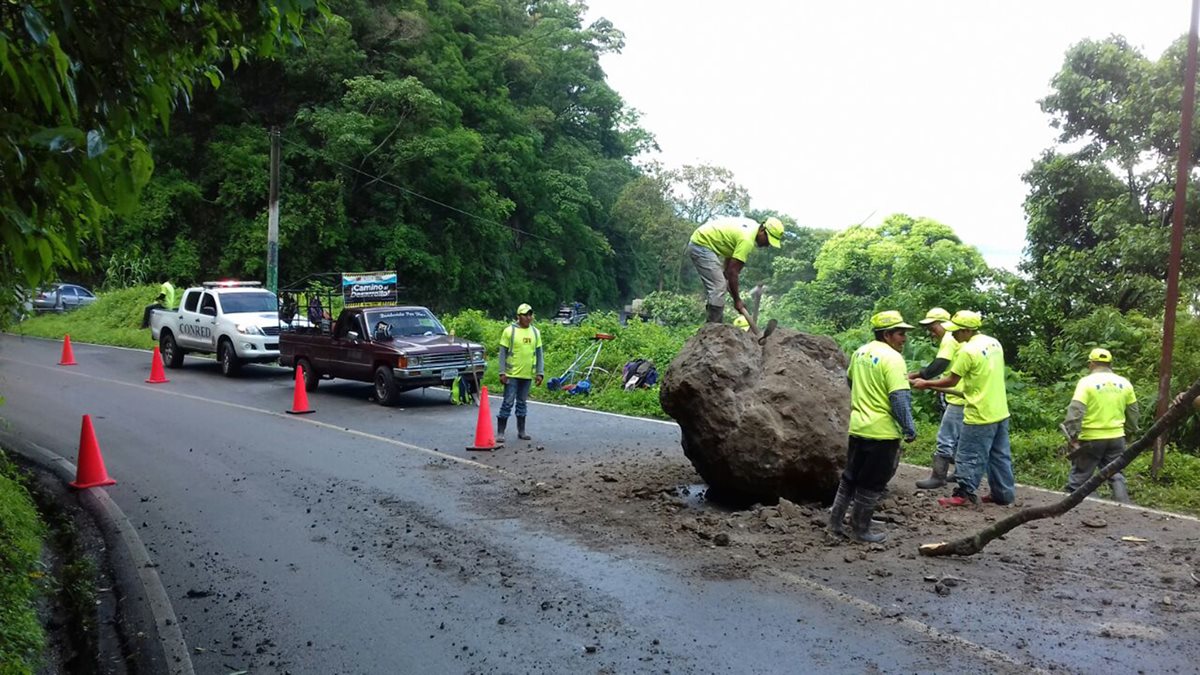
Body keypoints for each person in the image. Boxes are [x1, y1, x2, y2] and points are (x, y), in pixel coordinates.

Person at [829, 310, 917, 543]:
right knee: (873, 482)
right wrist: (908, 427)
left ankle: (835, 522)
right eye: (900, 333)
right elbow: (898, 398)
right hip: (882, 432)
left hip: (858, 427)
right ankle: (861, 529)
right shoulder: (893, 359)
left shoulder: (860, 352)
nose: (904, 339)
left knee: (850, 477)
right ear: (887, 335)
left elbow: (850, 380)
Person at [913, 310, 1015, 507]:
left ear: (967, 331)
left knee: (969, 454)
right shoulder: (994, 343)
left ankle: (964, 494)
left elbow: (951, 380)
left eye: (957, 331)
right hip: (1000, 410)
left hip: (979, 411)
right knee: (999, 455)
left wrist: (926, 383)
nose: (953, 335)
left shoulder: (968, 351)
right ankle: (1003, 494)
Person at [1061, 348, 1139, 503]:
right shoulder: (1124, 383)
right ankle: (1125, 510)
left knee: (1079, 478)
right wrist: (1130, 432)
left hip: (1090, 439)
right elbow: (1133, 412)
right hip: (1116, 437)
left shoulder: (1086, 383)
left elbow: (1076, 410)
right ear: (1110, 364)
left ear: (1091, 364)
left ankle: (1079, 512)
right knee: (1116, 474)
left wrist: (1073, 436)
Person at [687, 215, 784, 326]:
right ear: (762, 230)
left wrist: (732, 291)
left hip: (705, 242)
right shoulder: (747, 240)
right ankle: (713, 328)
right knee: (718, 287)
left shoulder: (752, 226)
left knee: (722, 283)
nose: (767, 244)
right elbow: (733, 272)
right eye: (768, 240)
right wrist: (737, 300)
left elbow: (729, 267)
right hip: (701, 245)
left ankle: (715, 326)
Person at [908, 307, 966, 489]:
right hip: (963, 392)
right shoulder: (957, 338)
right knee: (959, 436)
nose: (931, 333)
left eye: (933, 328)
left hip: (957, 394)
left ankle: (938, 476)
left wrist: (921, 376)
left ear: (942, 324)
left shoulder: (949, 338)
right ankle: (959, 472)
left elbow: (940, 365)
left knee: (946, 436)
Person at [497, 303, 544, 443]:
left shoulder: (535, 332)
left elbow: (539, 354)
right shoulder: (509, 331)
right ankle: (500, 432)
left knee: (522, 403)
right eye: (525, 315)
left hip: (527, 375)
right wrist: (502, 372)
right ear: (519, 317)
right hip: (511, 375)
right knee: (508, 402)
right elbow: (502, 353)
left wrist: (540, 372)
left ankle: (521, 431)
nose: (529, 318)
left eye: (530, 315)